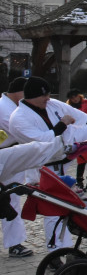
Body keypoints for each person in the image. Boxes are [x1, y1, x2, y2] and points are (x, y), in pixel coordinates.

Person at [8, 77, 87, 251]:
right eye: (45, 95)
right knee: (53, 211)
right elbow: (43, 142)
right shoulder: (18, 118)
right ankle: (55, 252)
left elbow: (82, 118)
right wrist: (62, 124)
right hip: (43, 168)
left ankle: (64, 248)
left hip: (65, 158)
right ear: (33, 96)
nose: (48, 98)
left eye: (49, 94)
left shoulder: (52, 104)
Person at [0, 77, 34, 257]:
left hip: (10, 157)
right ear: (17, 92)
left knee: (10, 198)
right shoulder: (6, 109)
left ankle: (15, 242)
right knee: (11, 198)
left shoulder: (9, 107)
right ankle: (14, 244)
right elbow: (21, 132)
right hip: (6, 158)